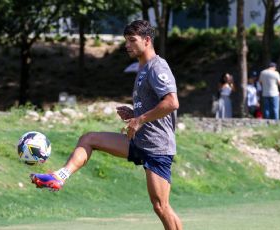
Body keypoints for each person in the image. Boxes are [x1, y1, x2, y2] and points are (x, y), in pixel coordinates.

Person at [30, 20, 182, 230]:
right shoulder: (142, 68)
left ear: (147, 41)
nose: (127, 45)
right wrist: (134, 113)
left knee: (160, 206)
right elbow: (154, 105)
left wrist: (139, 119)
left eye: (132, 40)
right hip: (138, 141)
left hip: (157, 146)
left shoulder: (157, 66)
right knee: (89, 139)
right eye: (125, 41)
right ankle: (59, 177)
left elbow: (172, 102)